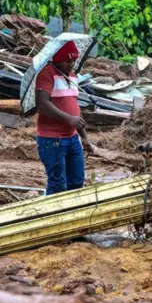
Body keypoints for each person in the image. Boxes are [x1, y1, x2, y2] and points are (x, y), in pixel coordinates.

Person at [34, 40, 91, 195]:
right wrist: (69, 119)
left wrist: (84, 136)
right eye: (67, 61)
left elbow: (75, 107)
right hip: (52, 140)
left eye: (73, 60)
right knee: (58, 184)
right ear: (57, 60)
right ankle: (52, 216)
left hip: (72, 138)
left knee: (77, 181)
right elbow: (42, 104)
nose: (71, 64)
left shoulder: (72, 76)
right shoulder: (46, 74)